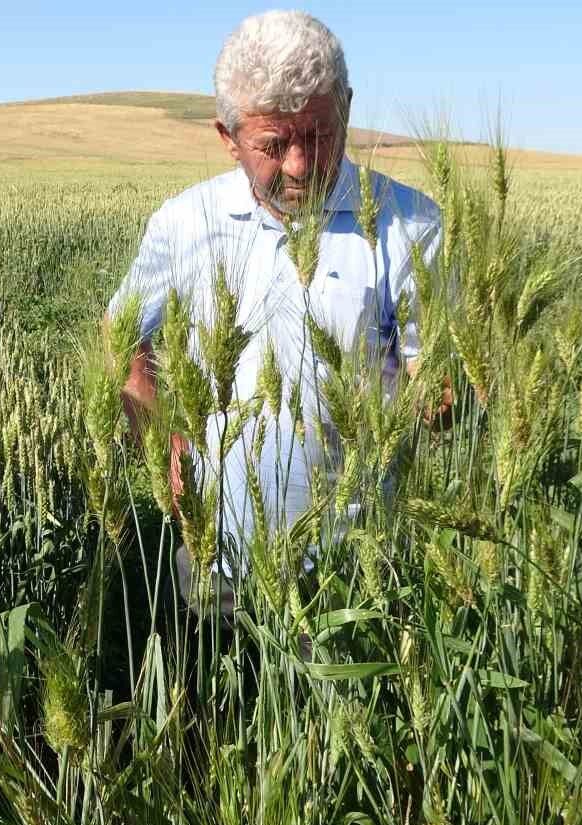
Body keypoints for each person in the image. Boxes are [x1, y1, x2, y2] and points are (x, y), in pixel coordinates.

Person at [110, 10, 446, 601]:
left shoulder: (409, 226)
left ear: (347, 107)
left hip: (363, 567)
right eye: (273, 144)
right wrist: (168, 451)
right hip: (219, 551)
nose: (298, 165)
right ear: (227, 138)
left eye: (319, 136)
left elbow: (442, 387)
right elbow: (120, 339)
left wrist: (444, 396)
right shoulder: (184, 223)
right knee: (232, 688)